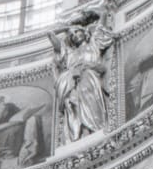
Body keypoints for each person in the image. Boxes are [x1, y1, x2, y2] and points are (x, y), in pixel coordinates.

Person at [49, 8, 114, 143]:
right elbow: (50, 34)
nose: (75, 35)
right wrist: (68, 27)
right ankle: (79, 134)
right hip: (72, 82)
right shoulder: (69, 53)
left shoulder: (94, 43)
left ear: (85, 33)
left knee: (88, 96)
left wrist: (87, 15)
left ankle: (94, 128)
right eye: (72, 35)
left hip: (89, 78)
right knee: (72, 104)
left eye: (77, 31)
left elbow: (102, 14)